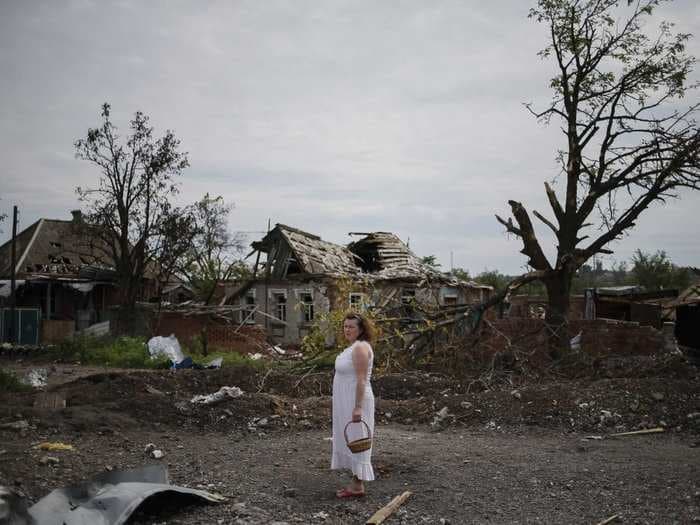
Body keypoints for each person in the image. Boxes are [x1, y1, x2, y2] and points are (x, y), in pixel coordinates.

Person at [331, 312, 375, 498]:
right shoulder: (353, 347)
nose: (347, 329)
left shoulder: (360, 348)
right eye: (345, 326)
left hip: (356, 401)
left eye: (351, 327)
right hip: (346, 400)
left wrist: (357, 407)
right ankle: (356, 482)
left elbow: (361, 380)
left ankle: (357, 486)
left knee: (358, 441)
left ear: (361, 329)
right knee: (351, 440)